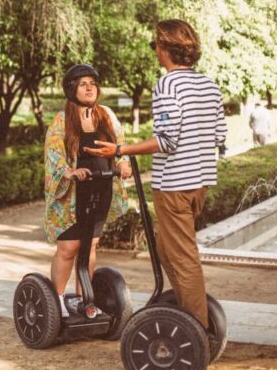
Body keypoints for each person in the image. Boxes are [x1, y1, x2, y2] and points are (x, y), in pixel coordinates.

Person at [85, 19, 227, 329]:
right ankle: (187, 311)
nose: (154, 51)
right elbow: (219, 135)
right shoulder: (209, 85)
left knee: (182, 258)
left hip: (175, 185)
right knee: (165, 249)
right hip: (199, 183)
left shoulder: (167, 85)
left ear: (166, 49)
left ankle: (196, 331)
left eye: (156, 45)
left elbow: (166, 140)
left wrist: (119, 151)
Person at [45, 64, 131, 317]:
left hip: (101, 185)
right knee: (69, 247)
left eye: (92, 83)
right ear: (72, 89)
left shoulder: (106, 114)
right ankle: (58, 302)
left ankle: (85, 299)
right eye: (83, 84)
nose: (89, 87)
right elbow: (53, 153)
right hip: (73, 193)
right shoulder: (62, 119)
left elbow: (121, 144)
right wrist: (68, 171)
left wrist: (123, 162)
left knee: (90, 246)